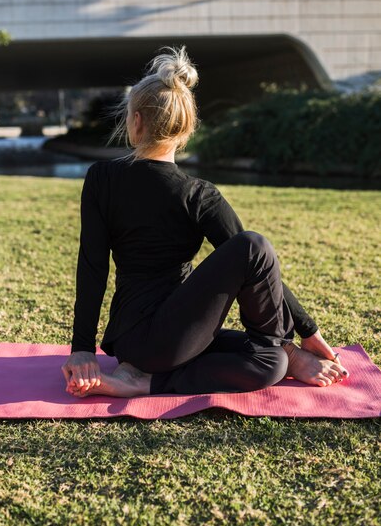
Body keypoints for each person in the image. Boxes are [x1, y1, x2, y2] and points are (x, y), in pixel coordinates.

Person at [61, 46, 349, 398]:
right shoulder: (197, 193)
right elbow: (256, 262)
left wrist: (82, 347)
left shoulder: (100, 177)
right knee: (253, 248)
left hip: (133, 340)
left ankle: (145, 379)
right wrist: (307, 328)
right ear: (186, 129)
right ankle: (283, 349)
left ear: (136, 122)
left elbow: (92, 267)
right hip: (170, 342)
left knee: (272, 363)